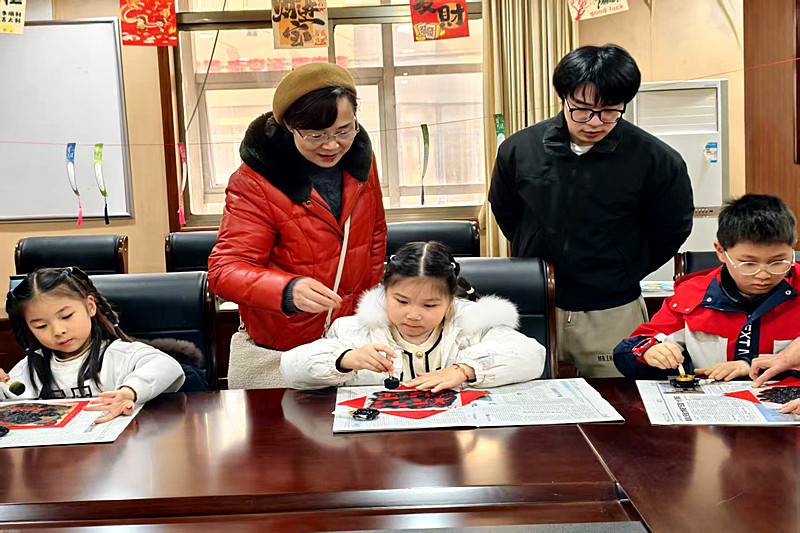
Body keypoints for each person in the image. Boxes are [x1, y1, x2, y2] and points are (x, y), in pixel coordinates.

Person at [488, 44, 693, 377]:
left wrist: (623, 268)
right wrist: (536, 250)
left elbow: (671, 229)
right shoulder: (520, 148)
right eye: (581, 109)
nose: (594, 122)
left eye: (610, 110)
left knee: (623, 409)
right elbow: (506, 210)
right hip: (539, 301)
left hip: (612, 307)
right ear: (563, 98)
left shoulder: (656, 160)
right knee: (532, 406)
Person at [208, 62, 387, 354]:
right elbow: (224, 271)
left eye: (344, 131)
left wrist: (369, 307)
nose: (332, 146)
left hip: (354, 339)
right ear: (289, 127)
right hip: (288, 346)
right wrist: (287, 291)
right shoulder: (256, 180)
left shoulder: (361, 163)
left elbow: (375, 235)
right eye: (316, 135)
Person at [280, 241, 545, 390]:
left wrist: (465, 369)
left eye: (430, 305)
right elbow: (291, 370)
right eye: (401, 301)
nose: (413, 315)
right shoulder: (354, 330)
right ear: (384, 291)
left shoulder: (474, 325)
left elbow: (532, 355)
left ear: (451, 299)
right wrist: (345, 359)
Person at [613, 194, 800, 382]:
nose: (763, 274)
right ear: (720, 251)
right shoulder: (692, 296)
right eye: (748, 264)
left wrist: (751, 366)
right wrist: (649, 352)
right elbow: (630, 350)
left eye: (778, 262)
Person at [0, 267, 184, 424]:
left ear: (90, 306)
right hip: (56, 458)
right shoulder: (31, 367)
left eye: (66, 316)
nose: (58, 330)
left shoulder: (119, 354)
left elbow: (167, 366)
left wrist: (130, 391)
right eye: (41, 326)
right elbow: (9, 400)